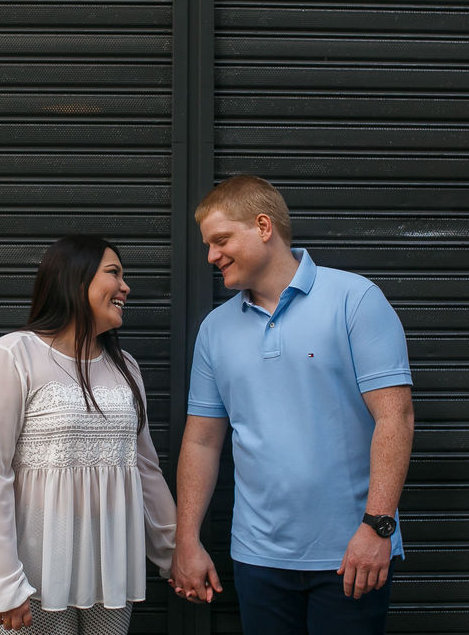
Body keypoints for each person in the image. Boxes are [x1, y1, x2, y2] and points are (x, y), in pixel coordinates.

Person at [170, 175, 414, 635]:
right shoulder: (215, 329)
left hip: (352, 554)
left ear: (263, 226)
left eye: (221, 240)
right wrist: (186, 540)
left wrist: (377, 528)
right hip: (257, 558)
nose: (211, 256)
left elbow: (395, 417)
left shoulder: (355, 299)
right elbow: (202, 440)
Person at [0, 234, 176, 634]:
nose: (126, 287)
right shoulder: (13, 356)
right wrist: (3, 585)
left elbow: (146, 470)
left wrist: (176, 554)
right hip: (35, 580)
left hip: (110, 573)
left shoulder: (125, 367)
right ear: (76, 280)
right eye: (114, 273)